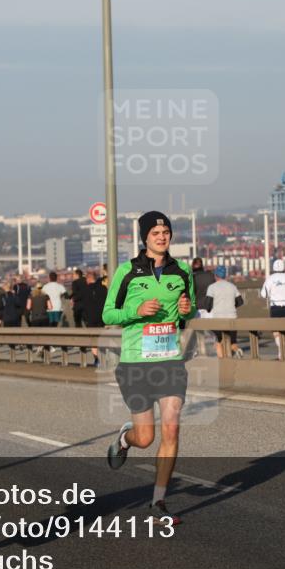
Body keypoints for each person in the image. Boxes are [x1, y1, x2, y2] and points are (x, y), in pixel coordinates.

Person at [104, 211, 194, 525]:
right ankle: (125, 439)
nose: (161, 237)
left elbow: (188, 311)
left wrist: (186, 310)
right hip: (136, 363)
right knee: (145, 438)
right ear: (145, 238)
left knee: (172, 428)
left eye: (166, 232)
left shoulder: (182, 271)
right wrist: (137, 310)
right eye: (155, 233)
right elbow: (108, 314)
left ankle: (158, 503)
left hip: (170, 360)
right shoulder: (127, 272)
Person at [205, 266, 244, 358]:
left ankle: (222, 360)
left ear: (216, 275)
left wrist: (209, 309)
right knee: (232, 342)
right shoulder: (232, 286)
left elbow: (208, 304)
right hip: (232, 318)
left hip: (218, 319)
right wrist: (231, 307)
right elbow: (240, 301)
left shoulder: (212, 287)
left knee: (219, 341)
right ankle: (237, 350)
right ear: (225, 275)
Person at [82, 271, 107, 365]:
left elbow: (83, 305)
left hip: (90, 318)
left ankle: (97, 359)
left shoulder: (85, 289)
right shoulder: (103, 288)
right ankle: (104, 357)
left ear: (88, 279)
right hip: (102, 317)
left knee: (93, 339)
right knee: (102, 337)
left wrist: (85, 317)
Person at [191, 258, 215, 355]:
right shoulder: (210, 276)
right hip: (210, 306)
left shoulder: (192, 278)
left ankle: (201, 350)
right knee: (212, 329)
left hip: (197, 307)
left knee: (198, 331)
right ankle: (215, 349)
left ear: (193, 266)